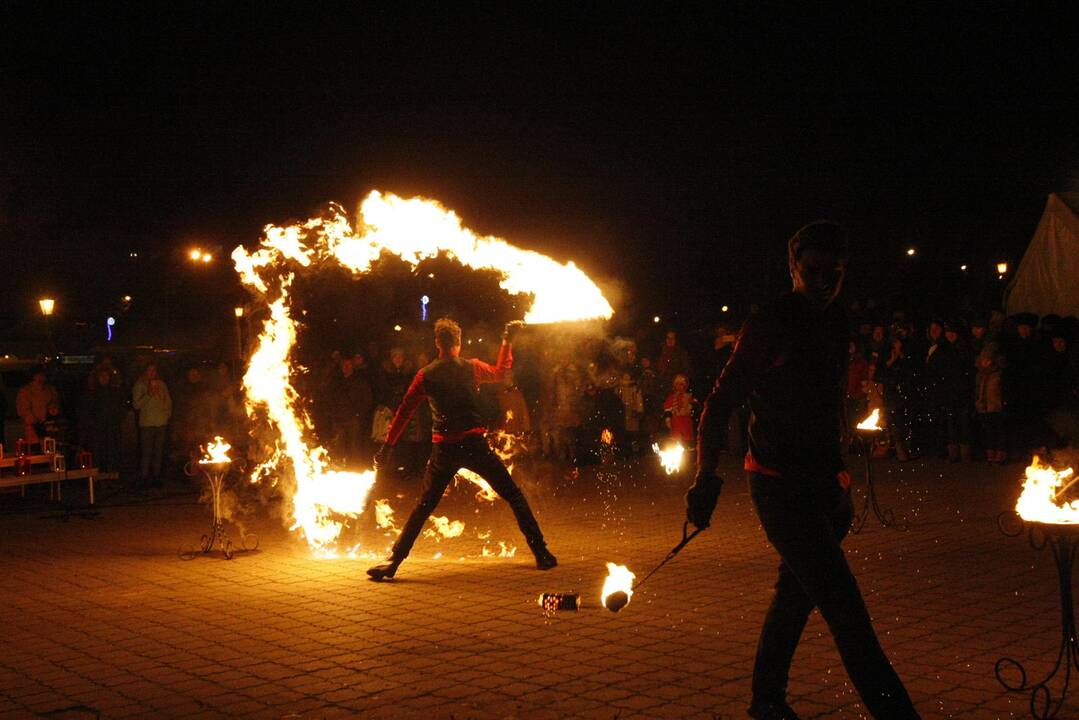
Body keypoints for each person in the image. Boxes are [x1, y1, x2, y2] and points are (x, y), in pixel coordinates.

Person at [688, 221, 919, 720]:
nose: (822, 281)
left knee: (794, 596)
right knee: (847, 614)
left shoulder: (837, 321)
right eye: (812, 270)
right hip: (776, 487)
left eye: (832, 272)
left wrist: (839, 479)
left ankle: (765, 701)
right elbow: (718, 405)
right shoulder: (771, 322)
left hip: (822, 486)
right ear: (792, 268)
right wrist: (705, 478)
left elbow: (828, 405)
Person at [367, 319, 556, 580]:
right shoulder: (471, 367)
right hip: (474, 445)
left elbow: (403, 413)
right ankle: (542, 553)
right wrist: (507, 341)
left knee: (423, 506)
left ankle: (393, 561)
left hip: (444, 450)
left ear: (437, 343)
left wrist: (387, 447)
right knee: (513, 495)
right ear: (459, 342)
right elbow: (502, 372)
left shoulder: (425, 375)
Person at [133, 362, 172, 488]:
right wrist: (148, 394)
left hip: (161, 423)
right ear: (145, 372)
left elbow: (168, 401)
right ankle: (144, 477)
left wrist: (167, 414)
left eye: (153, 370)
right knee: (147, 452)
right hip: (147, 424)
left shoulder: (162, 384)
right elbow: (136, 405)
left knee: (158, 451)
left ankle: (156, 477)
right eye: (149, 370)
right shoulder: (139, 385)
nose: (151, 373)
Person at [16, 366, 61, 448]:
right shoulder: (26, 392)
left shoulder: (50, 390)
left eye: (43, 375)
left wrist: (53, 410)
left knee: (51, 450)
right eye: (40, 375)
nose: (43, 377)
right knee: (37, 452)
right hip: (33, 430)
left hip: (49, 428)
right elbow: (24, 410)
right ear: (34, 376)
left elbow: (54, 403)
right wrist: (34, 421)